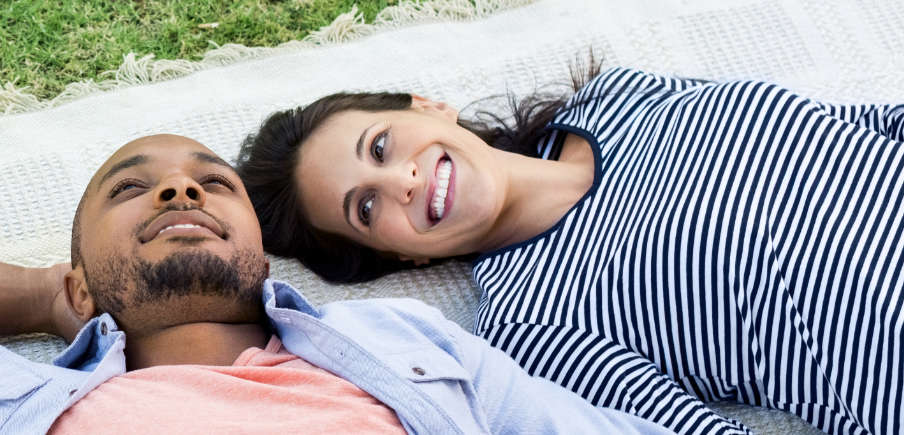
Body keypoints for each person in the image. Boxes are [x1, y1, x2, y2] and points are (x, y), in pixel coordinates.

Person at [0, 134, 672, 434]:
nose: (179, 185)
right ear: (84, 266)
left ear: (262, 243)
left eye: (213, 183)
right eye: (131, 189)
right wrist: (43, 301)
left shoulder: (412, 351)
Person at [236, 66, 904, 435]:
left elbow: (863, 125)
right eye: (368, 207)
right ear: (399, 257)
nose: (400, 180)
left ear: (430, 107)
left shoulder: (620, 96)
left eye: (380, 146)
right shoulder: (536, 325)